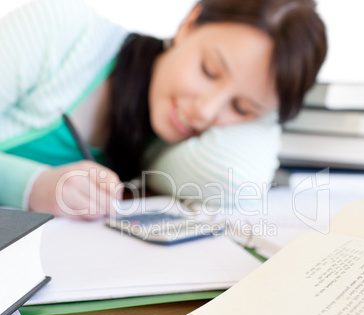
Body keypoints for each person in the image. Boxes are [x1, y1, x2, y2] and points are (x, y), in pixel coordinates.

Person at [0, 0, 327, 220]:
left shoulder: (171, 145)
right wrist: (31, 186)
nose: (205, 111)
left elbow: (239, 177)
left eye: (241, 107)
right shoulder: (61, 30)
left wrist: (270, 106)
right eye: (209, 70)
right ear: (189, 23)